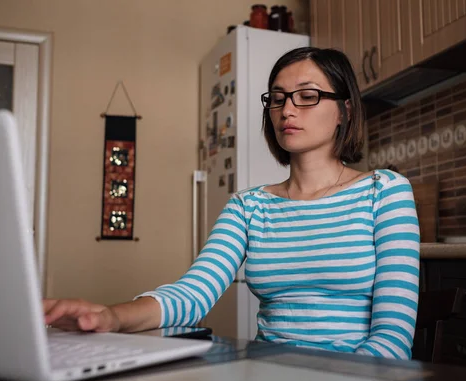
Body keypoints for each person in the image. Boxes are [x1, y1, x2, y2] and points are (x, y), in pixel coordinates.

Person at [44, 47, 420, 360]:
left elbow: (392, 339)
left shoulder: (384, 191)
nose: (287, 110)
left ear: (345, 111)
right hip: (267, 376)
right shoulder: (248, 206)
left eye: (308, 96)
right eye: (277, 98)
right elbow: (192, 294)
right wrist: (110, 317)